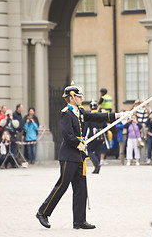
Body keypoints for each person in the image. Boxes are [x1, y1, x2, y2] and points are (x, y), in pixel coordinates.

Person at [36, 85, 121, 230]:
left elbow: (94, 116)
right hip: (69, 155)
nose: (82, 98)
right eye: (79, 96)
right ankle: (42, 212)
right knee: (62, 185)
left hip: (79, 156)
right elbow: (67, 135)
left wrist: (114, 116)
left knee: (81, 188)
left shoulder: (80, 111)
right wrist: (79, 143)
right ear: (72, 98)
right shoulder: (66, 114)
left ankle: (79, 220)